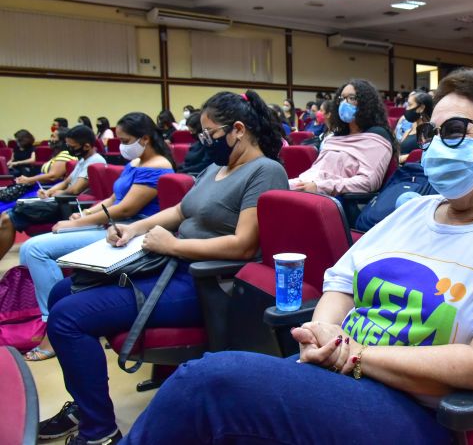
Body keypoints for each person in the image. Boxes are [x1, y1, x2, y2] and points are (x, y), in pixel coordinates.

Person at [121, 68, 473, 445]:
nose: (434, 146)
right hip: (339, 373)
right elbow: (340, 279)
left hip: (416, 410)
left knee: (206, 384)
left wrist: (353, 355)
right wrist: (330, 331)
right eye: (431, 133)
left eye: (455, 133)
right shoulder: (412, 211)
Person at [38, 90, 289, 444]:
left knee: (66, 318)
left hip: (206, 282)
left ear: (237, 129)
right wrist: (132, 229)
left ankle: (99, 432)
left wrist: (173, 245)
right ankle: (85, 403)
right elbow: (180, 211)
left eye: (209, 134)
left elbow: (244, 245)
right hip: (171, 264)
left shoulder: (265, 171)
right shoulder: (218, 167)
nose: (204, 142)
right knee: (62, 290)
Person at [19, 112, 175, 362]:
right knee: (28, 249)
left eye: (126, 140)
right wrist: (88, 212)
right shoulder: (135, 163)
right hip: (111, 224)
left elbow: (127, 209)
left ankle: (52, 324)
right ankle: (47, 317)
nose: (122, 146)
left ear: (144, 138)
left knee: (36, 249)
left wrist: (80, 222)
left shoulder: (158, 165)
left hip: (130, 230)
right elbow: (115, 198)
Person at [0, 125, 105, 263]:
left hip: (70, 205)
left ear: (86, 146)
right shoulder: (83, 160)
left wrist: (54, 193)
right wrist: (49, 191)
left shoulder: (96, 161)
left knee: (8, 218)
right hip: (60, 201)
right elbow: (66, 182)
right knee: (7, 215)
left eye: (72, 146)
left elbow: (75, 189)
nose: (69, 149)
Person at [290, 79, 394, 195]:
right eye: (342, 98)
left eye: (352, 98)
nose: (344, 103)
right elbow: (317, 171)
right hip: (309, 185)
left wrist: (320, 187)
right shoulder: (335, 136)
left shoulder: (376, 135)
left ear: (366, 103)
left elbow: (368, 181)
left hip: (337, 198)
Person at [0, 128, 76, 209]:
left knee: (7, 208)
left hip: (47, 188)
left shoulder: (66, 154)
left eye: (53, 136)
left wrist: (29, 179)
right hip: (40, 186)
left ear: (63, 140)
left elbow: (53, 176)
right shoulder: (58, 154)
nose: (50, 139)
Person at [398, 91, 433, 163]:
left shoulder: (429, 131)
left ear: (421, 108)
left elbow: (427, 154)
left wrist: (405, 158)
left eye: (410, 105)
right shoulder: (409, 131)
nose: (407, 108)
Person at [177, 111, 213, 175]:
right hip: (187, 171)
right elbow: (187, 161)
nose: (191, 133)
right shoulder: (196, 144)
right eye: (190, 131)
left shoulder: (209, 144)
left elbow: (204, 165)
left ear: (199, 129)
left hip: (196, 174)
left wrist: (183, 170)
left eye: (192, 131)